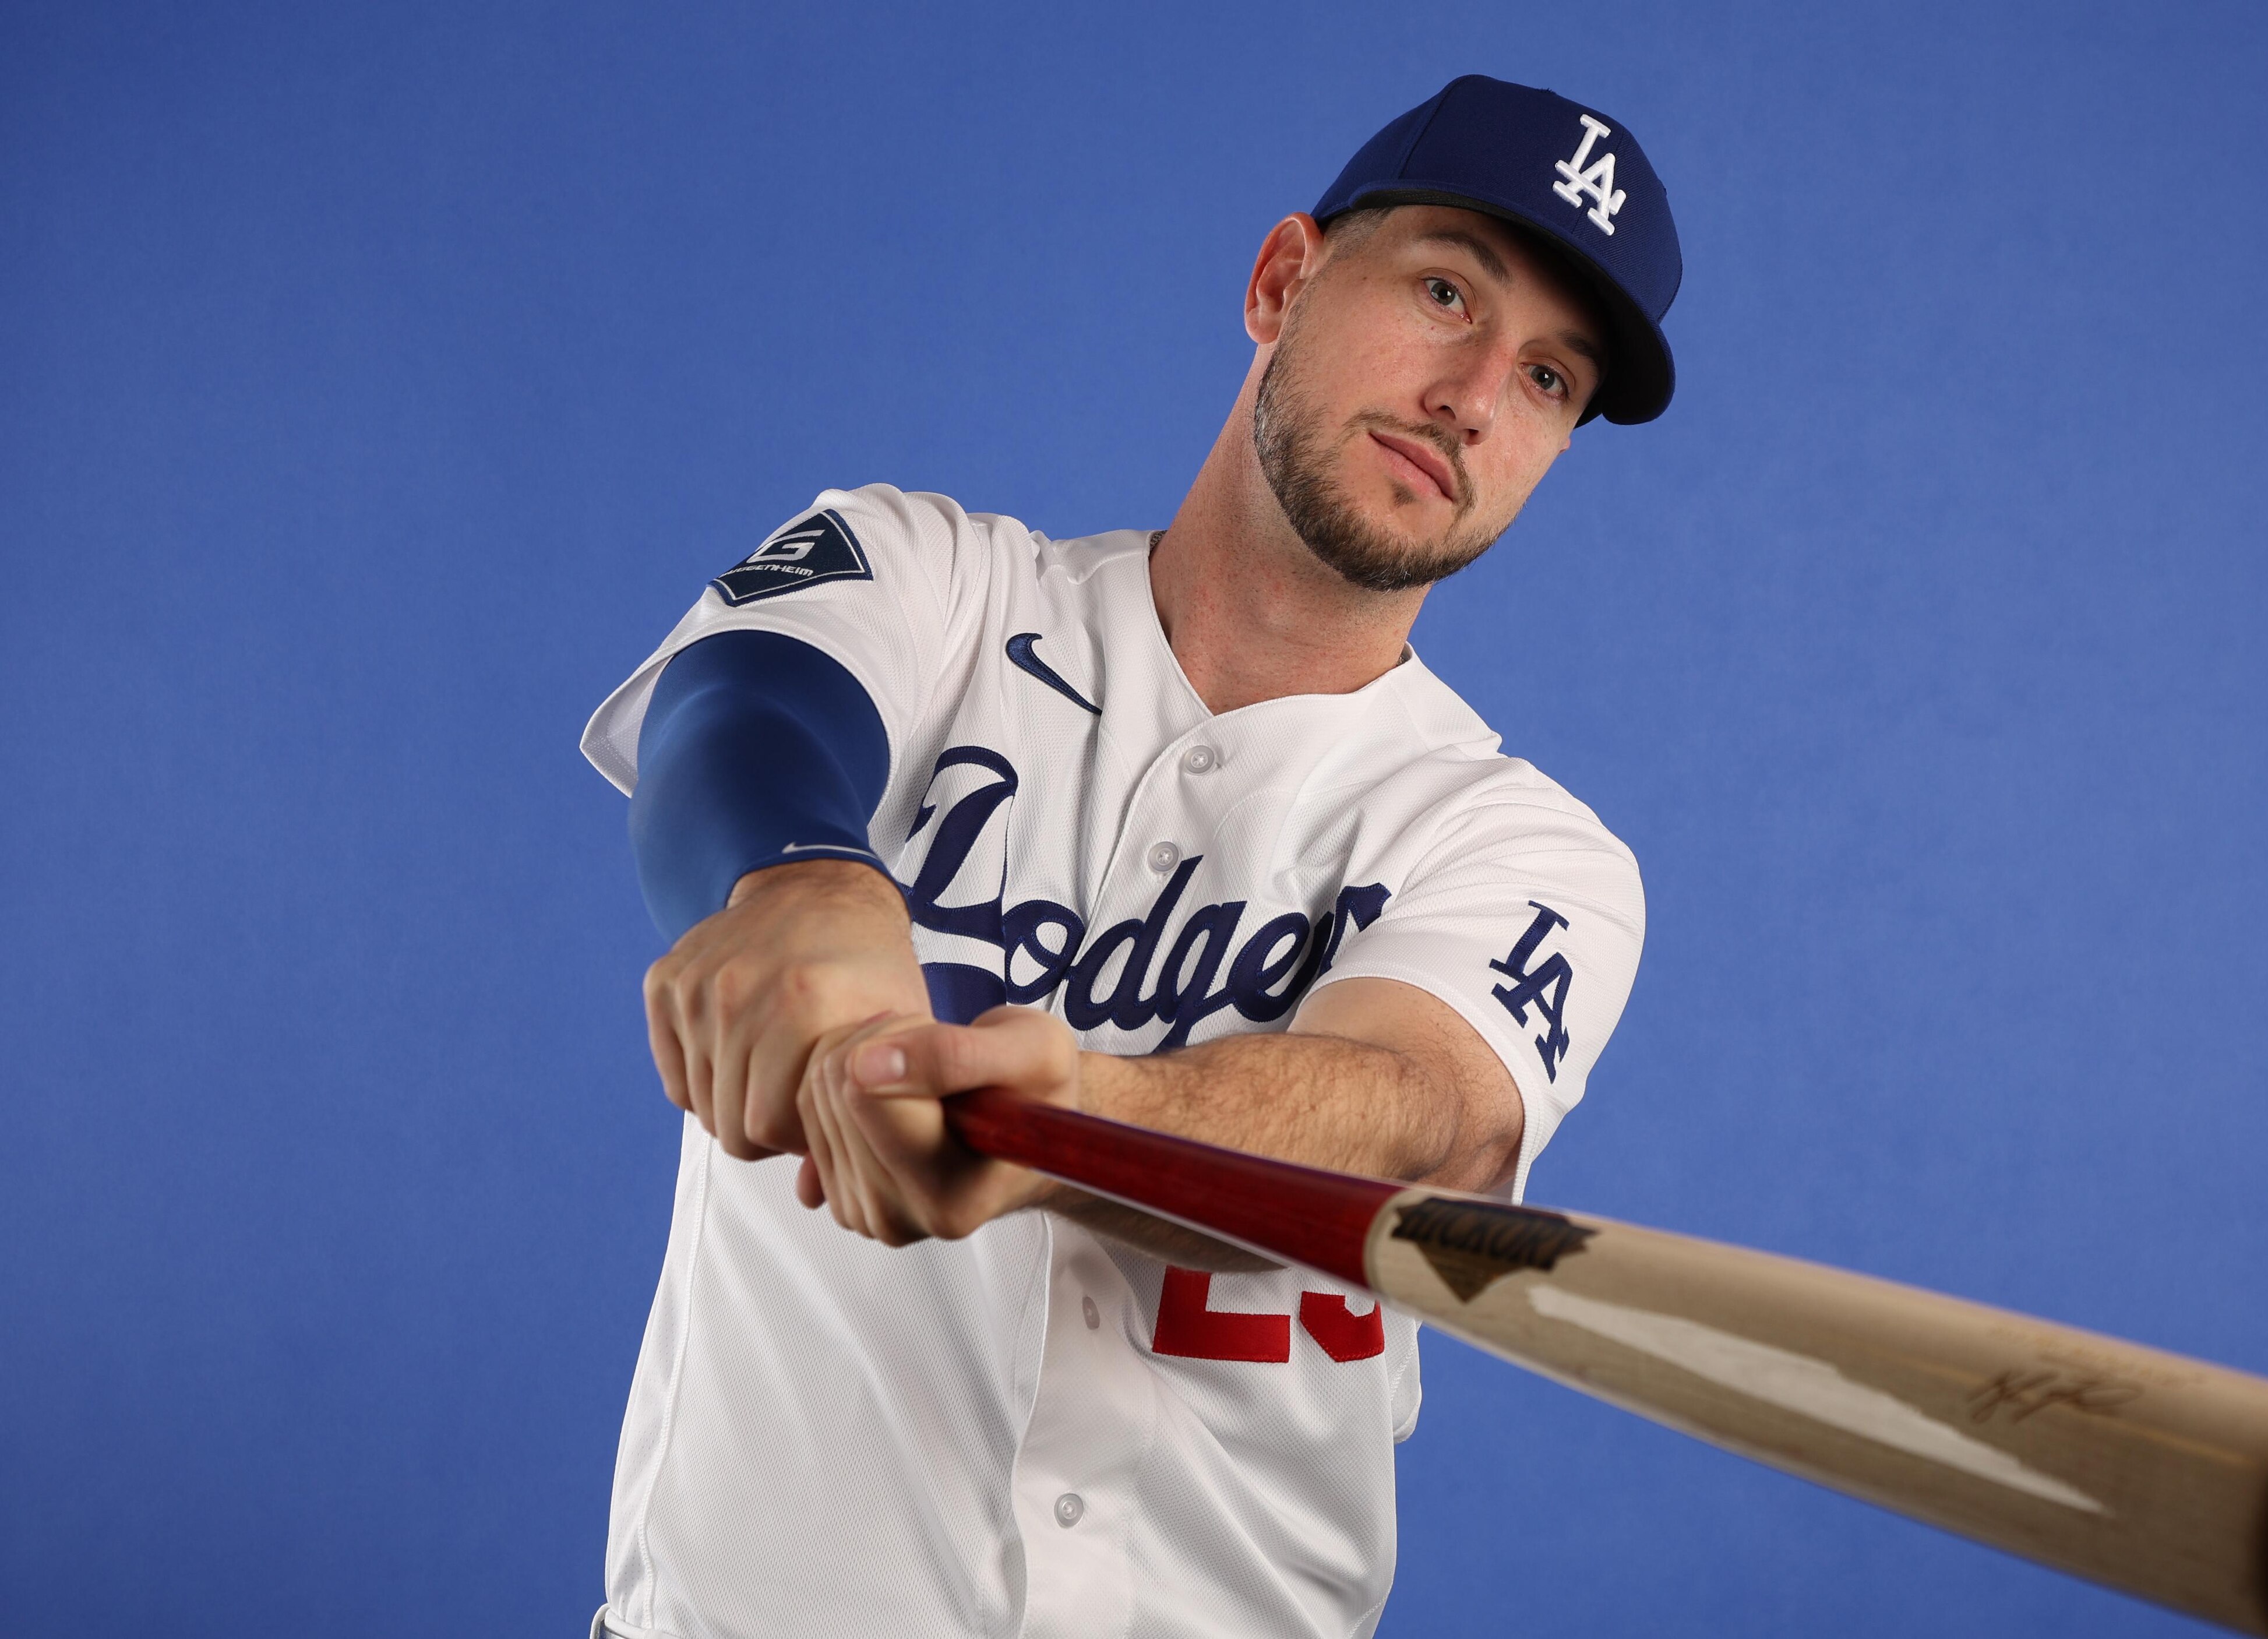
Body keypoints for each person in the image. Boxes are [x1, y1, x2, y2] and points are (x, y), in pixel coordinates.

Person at [577, 75, 1681, 1639]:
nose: (1476, 397)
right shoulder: (936, 584)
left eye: (1552, 378)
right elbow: (739, 708)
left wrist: (1076, 1128)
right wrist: (799, 880)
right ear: (1283, 281)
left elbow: (1415, 1120)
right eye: (1448, 294)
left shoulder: (1525, 848)